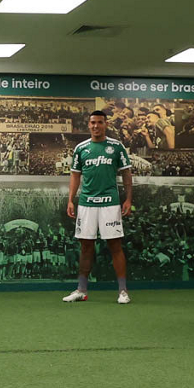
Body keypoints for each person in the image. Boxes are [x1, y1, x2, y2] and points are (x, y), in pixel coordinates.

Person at [63, 110, 133, 304]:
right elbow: (75, 175)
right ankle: (81, 290)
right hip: (87, 203)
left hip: (110, 203)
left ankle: (123, 291)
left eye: (100, 122)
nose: (96, 126)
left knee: (115, 246)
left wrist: (128, 199)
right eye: (93, 122)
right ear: (89, 125)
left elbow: (126, 174)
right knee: (86, 246)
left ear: (106, 124)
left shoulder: (116, 147)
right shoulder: (81, 148)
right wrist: (71, 200)